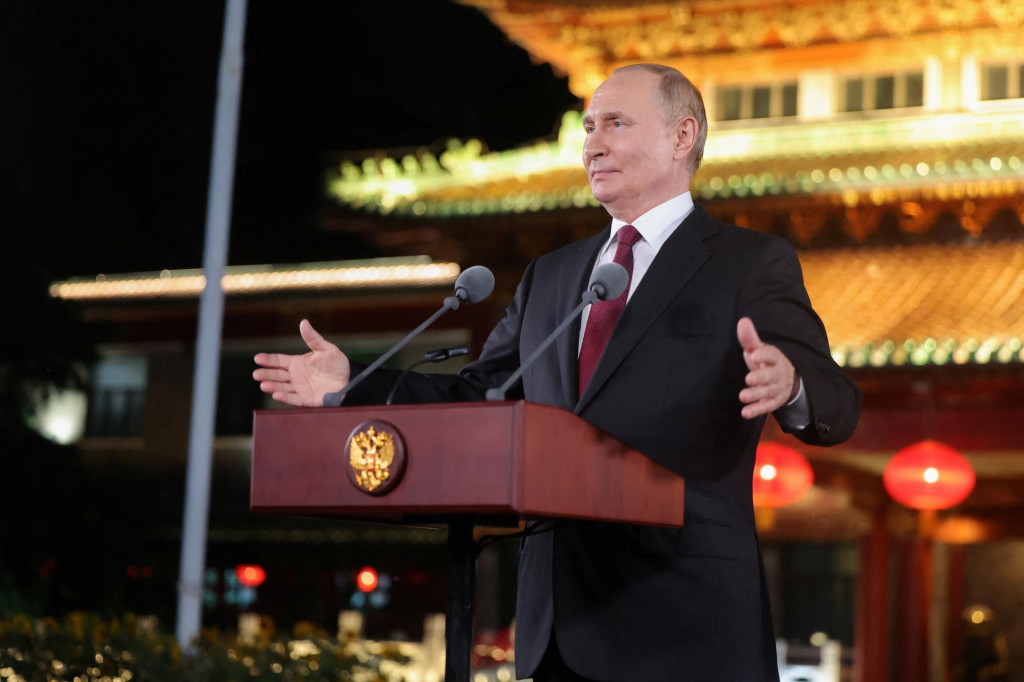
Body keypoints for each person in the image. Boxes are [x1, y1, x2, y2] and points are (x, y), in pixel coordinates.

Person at [253, 63, 861, 682]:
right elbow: (480, 394)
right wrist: (351, 384)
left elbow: (837, 399)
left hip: (684, 620)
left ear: (683, 136)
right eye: (589, 126)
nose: (593, 144)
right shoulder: (553, 276)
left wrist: (790, 383)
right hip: (554, 627)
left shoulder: (748, 263)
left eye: (616, 124)